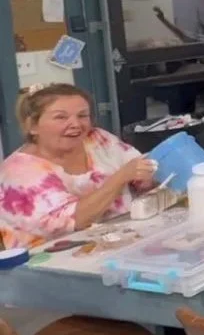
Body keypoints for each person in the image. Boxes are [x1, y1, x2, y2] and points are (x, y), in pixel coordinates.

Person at [0, 84, 157, 250]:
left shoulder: (96, 138)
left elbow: (143, 172)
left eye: (82, 115)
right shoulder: (19, 173)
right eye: (61, 117)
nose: (75, 124)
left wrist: (147, 178)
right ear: (32, 126)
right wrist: (121, 178)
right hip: (54, 258)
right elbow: (75, 220)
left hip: (121, 240)